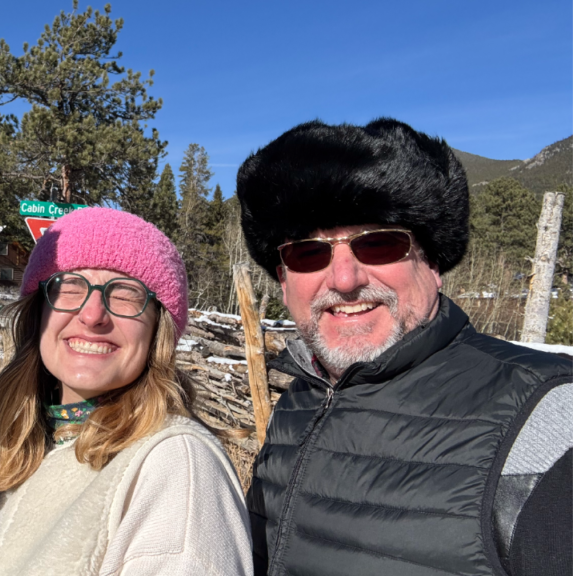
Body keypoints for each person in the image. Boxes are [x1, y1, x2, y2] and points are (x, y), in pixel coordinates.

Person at [237, 118, 573, 576]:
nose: (344, 279)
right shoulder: (299, 402)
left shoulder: (547, 415)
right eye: (308, 253)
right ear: (283, 278)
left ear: (433, 262)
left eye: (378, 244)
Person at [0, 207, 252, 575]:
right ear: (38, 313)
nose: (92, 314)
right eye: (69, 286)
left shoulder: (176, 468)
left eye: (126, 294)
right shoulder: (25, 453)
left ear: (157, 329)